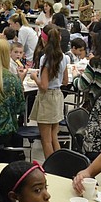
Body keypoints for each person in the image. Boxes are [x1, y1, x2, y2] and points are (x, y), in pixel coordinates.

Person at [29, 28, 69, 159]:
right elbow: (65, 81)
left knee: (46, 140)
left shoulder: (45, 59)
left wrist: (34, 76)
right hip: (58, 96)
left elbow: (44, 86)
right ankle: (60, 165)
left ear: (43, 39)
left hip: (47, 99)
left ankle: (51, 168)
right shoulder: (64, 57)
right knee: (54, 137)